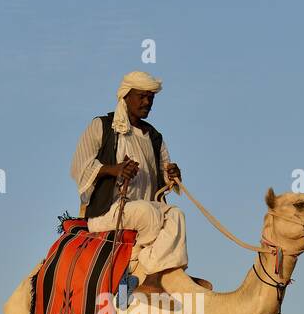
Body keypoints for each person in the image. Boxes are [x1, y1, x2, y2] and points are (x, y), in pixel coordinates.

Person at [69, 71, 206, 294]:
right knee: (148, 214)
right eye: (142, 96)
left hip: (144, 210)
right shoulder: (101, 126)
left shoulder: (153, 136)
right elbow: (80, 167)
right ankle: (137, 273)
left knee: (176, 215)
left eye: (150, 98)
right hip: (108, 212)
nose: (147, 103)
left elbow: (162, 175)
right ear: (126, 96)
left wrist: (172, 176)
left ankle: (157, 277)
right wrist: (115, 170)